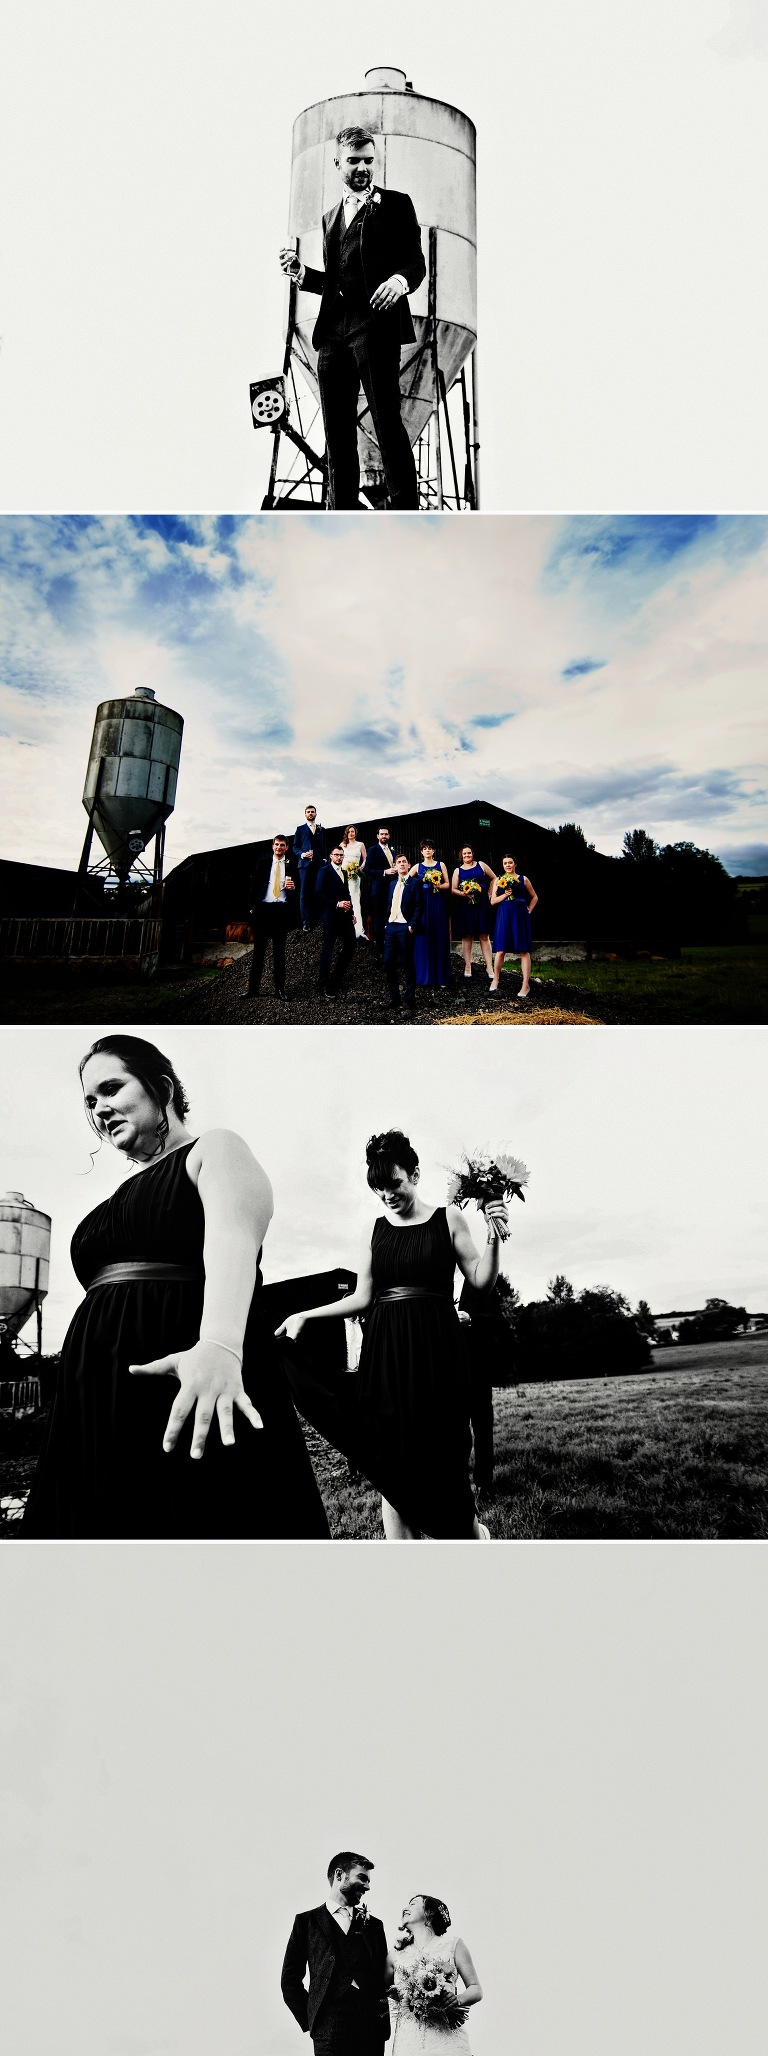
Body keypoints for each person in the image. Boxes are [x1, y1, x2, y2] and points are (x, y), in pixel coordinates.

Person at [22, 1035, 330, 1540]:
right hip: (95, 1403)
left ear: (160, 1086)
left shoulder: (216, 1150)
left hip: (188, 1386)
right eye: (89, 1102)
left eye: (110, 1088)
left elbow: (232, 1241)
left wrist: (219, 1345)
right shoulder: (120, 1196)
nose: (98, 1108)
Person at [278, 1130, 508, 1539]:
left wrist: (495, 1233)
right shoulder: (373, 1231)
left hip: (438, 1352)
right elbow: (363, 1297)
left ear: (415, 1175)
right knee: (392, 1460)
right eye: (378, 1188)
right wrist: (306, 1315)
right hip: (387, 1357)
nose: (387, 1194)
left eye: (395, 1184)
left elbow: (481, 1279)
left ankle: (471, 1536)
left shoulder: (448, 1219)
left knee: (446, 1454)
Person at [279, 126, 426, 510]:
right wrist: (301, 274)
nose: (362, 168)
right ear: (337, 163)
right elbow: (334, 281)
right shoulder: (330, 218)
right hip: (332, 334)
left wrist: (399, 281)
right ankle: (341, 513)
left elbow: (415, 261)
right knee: (337, 434)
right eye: (354, 161)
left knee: (387, 424)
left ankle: (405, 512)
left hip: (375, 326)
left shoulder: (396, 204)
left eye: (368, 160)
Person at [282, 1851, 390, 2056]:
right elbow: (289, 1979)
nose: (367, 1886)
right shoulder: (306, 1923)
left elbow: (384, 1977)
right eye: (362, 1878)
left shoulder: (375, 1926)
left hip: (371, 2026)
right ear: (340, 1875)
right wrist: (313, 2019)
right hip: (328, 2027)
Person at [388, 1896, 482, 2055]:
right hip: (408, 2043)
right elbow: (382, 1992)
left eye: (413, 1904)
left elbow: (476, 1989)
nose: (405, 1908)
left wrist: (457, 1999)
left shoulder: (453, 1945)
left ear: (430, 1912)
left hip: (447, 2042)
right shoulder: (394, 1955)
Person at [243, 834, 300, 1001]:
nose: (279, 847)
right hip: (263, 911)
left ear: (287, 847)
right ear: (272, 846)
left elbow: (298, 889)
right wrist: (252, 910)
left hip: (281, 912)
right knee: (258, 953)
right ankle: (253, 989)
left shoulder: (292, 865)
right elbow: (253, 889)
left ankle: (280, 990)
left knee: (279, 954)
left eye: (282, 845)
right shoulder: (263, 863)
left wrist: (293, 887)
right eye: (277, 844)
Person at [489, 855, 539, 999]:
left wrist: (529, 909)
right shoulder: (498, 880)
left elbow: (535, 897)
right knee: (500, 950)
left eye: (510, 862)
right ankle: (496, 979)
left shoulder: (524, 879)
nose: (507, 865)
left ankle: (525, 984)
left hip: (520, 917)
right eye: (505, 863)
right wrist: (505, 894)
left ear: (515, 864)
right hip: (504, 915)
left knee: (524, 950)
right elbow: (492, 901)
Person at [409, 842, 452, 996]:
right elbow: (407, 882)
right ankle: (423, 976)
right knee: (423, 938)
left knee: (439, 936)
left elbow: (448, 884)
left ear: (433, 850)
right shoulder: (417, 867)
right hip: (423, 905)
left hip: (438, 903)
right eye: (424, 848)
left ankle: (441, 977)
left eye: (430, 848)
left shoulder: (441, 865)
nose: (427, 850)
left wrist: (438, 886)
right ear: (421, 851)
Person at [382, 856, 422, 1019]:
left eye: (404, 862)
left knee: (407, 963)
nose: (402, 864)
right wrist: (386, 923)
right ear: (395, 866)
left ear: (408, 865)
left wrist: (412, 925)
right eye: (399, 862)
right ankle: (394, 998)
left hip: (405, 927)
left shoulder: (415, 883)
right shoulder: (392, 884)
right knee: (387, 961)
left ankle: (409, 1000)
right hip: (391, 927)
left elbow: (420, 906)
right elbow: (389, 904)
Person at [315, 847, 358, 999]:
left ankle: (336, 979)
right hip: (330, 916)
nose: (339, 857)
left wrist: (351, 913)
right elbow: (319, 893)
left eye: (341, 855)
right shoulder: (324, 871)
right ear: (331, 856)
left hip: (345, 917)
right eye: (336, 855)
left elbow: (347, 894)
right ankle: (324, 984)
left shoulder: (345, 873)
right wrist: (336, 903)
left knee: (351, 944)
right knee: (328, 949)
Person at [451, 844, 497, 983]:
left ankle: (489, 967)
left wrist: (490, 892)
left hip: (482, 904)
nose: (467, 856)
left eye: (469, 853)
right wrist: (465, 894)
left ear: (472, 854)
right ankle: (467, 966)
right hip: (466, 906)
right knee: (467, 935)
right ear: (461, 856)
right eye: (464, 854)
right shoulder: (457, 871)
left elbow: (495, 878)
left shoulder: (481, 865)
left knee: (484, 935)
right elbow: (453, 889)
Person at [293, 805, 328, 931]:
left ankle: (318, 919)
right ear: (305, 814)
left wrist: (324, 859)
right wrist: (302, 854)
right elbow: (295, 847)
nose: (310, 814)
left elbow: (324, 846)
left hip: (319, 865)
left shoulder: (321, 829)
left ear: (316, 814)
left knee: (318, 891)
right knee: (304, 893)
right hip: (305, 866)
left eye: (312, 812)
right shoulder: (300, 829)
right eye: (308, 812)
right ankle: (306, 922)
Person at [364, 827, 398, 952]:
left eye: (386, 834)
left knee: (390, 916)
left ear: (389, 836)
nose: (384, 836)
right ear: (377, 836)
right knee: (378, 919)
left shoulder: (392, 850)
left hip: (392, 889)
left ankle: (390, 945)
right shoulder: (373, 850)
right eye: (382, 834)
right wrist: (385, 872)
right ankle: (379, 947)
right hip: (378, 890)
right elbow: (367, 869)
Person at [340, 825, 368, 940]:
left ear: (355, 833)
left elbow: (366, 858)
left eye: (353, 831)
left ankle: (358, 929)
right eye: (349, 831)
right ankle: (344, 928)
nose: (351, 833)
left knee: (355, 900)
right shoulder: (342, 845)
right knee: (345, 899)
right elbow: (339, 858)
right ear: (346, 833)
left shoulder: (360, 844)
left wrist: (360, 868)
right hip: (344, 875)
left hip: (355, 875)